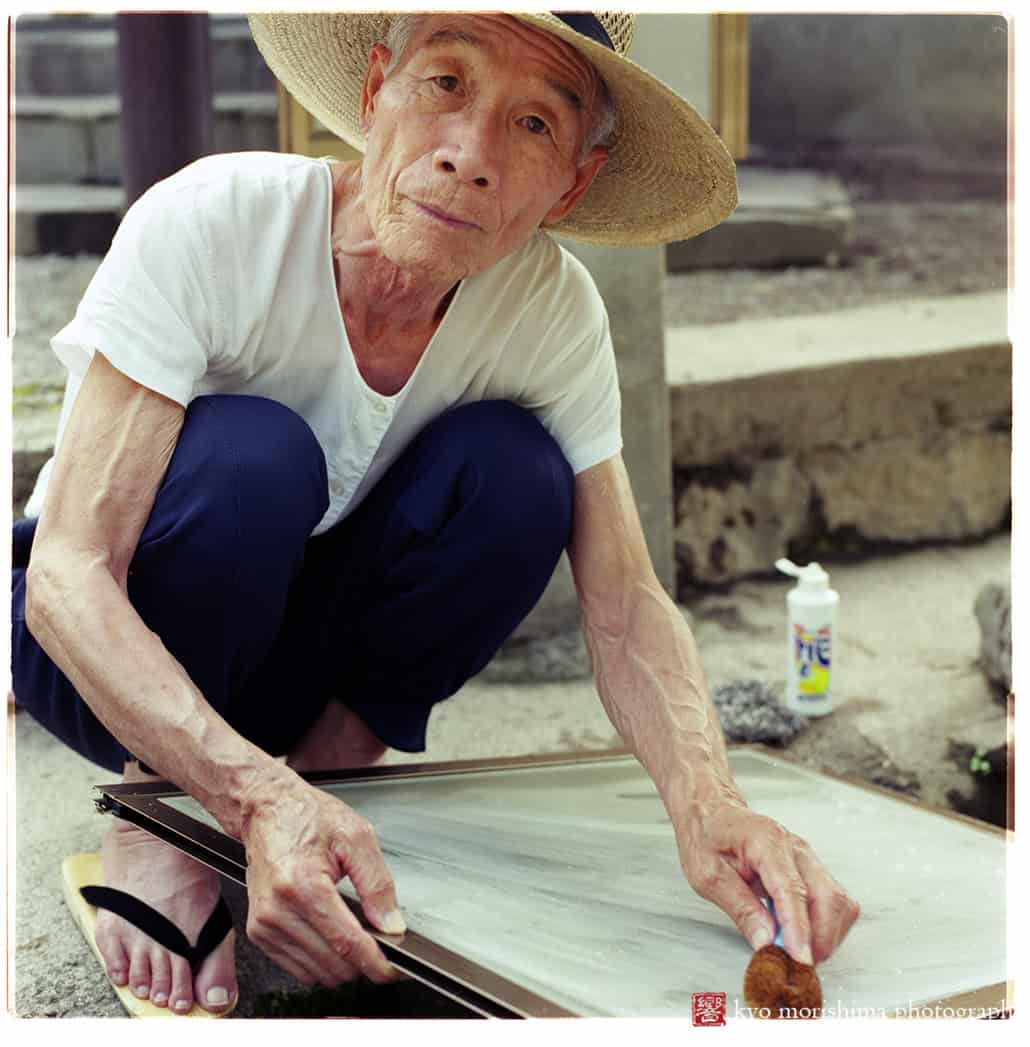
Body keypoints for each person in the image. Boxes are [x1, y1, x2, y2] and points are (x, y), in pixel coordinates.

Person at [11, 11, 859, 1016]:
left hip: (296, 668)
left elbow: (626, 601)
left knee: (517, 472)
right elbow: (67, 573)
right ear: (375, 95)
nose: (470, 157)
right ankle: (164, 812)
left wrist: (710, 806)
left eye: (535, 125)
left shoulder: (552, 313)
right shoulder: (215, 220)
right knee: (256, 454)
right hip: (100, 655)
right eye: (444, 85)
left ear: (572, 185)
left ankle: (329, 792)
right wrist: (248, 798)